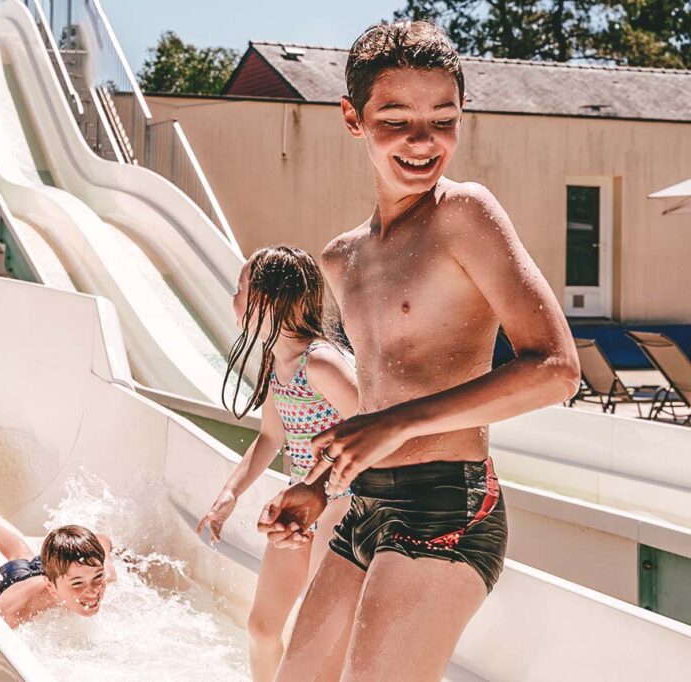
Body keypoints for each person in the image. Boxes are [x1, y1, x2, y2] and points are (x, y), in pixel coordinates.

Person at [256, 21, 580, 682]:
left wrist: (398, 424)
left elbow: (556, 369)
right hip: (363, 505)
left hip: (448, 508)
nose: (423, 141)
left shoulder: (464, 215)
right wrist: (318, 485)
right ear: (353, 118)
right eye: (396, 119)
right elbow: (380, 399)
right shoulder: (343, 258)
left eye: (443, 119)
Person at [197, 246, 359, 682]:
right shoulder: (276, 363)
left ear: (266, 300)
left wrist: (317, 484)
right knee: (262, 627)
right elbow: (271, 436)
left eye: (240, 289)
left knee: (319, 634)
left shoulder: (321, 362)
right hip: (298, 500)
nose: (234, 298)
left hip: (342, 502)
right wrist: (228, 495)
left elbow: (368, 425)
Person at [0, 506, 116, 627]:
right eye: (78, 584)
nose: (93, 591)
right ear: (51, 587)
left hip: (51, 568)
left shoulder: (100, 571)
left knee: (24, 556)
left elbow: (102, 540)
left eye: (97, 579)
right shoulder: (17, 608)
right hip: (10, 582)